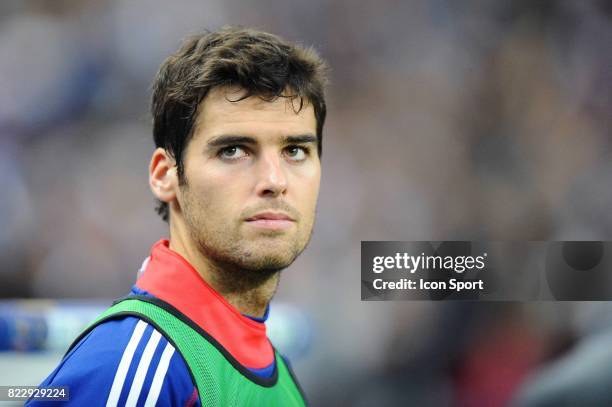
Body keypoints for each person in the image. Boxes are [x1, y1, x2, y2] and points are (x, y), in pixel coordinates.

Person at [28, 26, 328, 406]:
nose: (274, 181)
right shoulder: (133, 366)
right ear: (165, 175)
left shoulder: (276, 371)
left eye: (296, 151)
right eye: (234, 150)